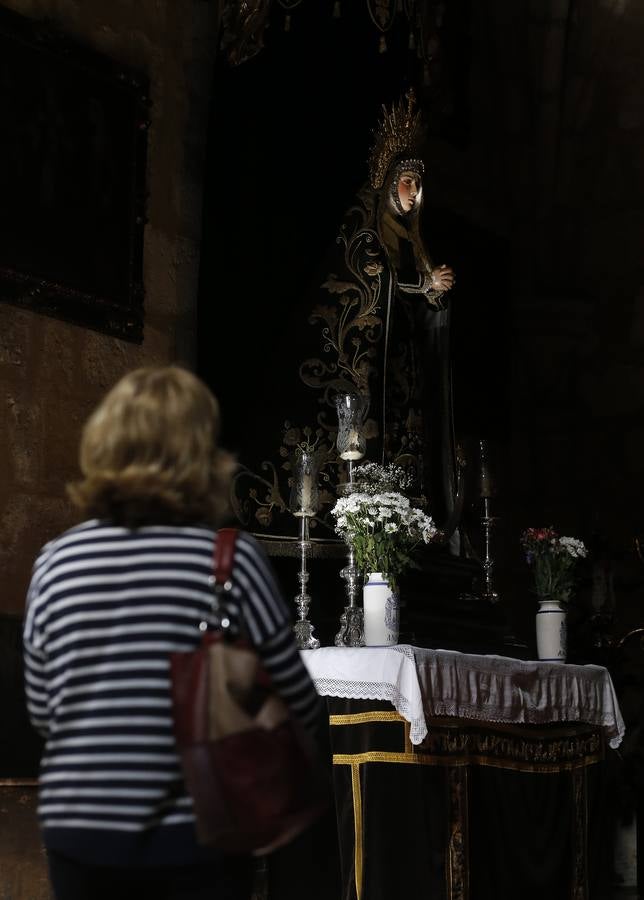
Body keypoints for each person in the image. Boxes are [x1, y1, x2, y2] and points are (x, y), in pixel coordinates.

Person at [22, 365, 323, 900]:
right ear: (201, 455)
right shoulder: (229, 559)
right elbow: (300, 703)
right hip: (197, 832)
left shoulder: (55, 562)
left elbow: (44, 710)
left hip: (78, 831)